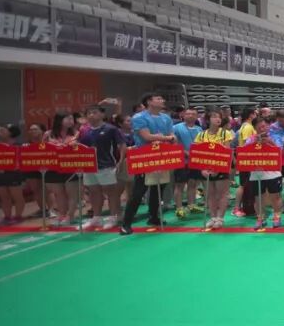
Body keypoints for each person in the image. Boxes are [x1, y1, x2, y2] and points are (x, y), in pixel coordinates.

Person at [120, 93, 176, 235]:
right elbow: (146, 137)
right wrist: (166, 138)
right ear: (149, 102)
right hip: (144, 157)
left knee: (159, 187)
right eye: (158, 99)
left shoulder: (166, 118)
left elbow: (172, 136)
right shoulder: (139, 117)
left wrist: (168, 138)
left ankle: (153, 217)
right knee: (139, 191)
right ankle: (126, 223)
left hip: (162, 155)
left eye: (162, 98)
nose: (162, 100)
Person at [78, 105, 125, 231]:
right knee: (94, 192)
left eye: (94, 112)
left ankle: (113, 217)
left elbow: (122, 145)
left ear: (102, 115)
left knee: (111, 192)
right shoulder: (85, 131)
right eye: (89, 113)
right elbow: (80, 147)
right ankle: (96, 217)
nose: (91, 115)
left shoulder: (111, 129)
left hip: (107, 165)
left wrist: (120, 161)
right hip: (89, 166)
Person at [195, 109, 235, 229]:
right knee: (210, 194)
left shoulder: (225, 133)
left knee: (222, 194)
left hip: (221, 168)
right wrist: (202, 170)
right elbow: (198, 153)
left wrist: (218, 168)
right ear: (208, 120)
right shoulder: (201, 135)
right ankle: (212, 217)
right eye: (214, 116)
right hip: (206, 169)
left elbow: (227, 153)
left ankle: (220, 218)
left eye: (219, 117)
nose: (217, 119)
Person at [245, 117, 283, 229]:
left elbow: (280, 151)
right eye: (259, 127)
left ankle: (277, 217)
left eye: (264, 126)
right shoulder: (250, 139)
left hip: (273, 172)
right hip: (256, 173)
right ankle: (260, 218)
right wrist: (254, 143)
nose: (262, 129)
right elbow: (244, 153)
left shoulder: (275, 137)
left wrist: (270, 142)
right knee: (258, 198)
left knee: (275, 196)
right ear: (255, 128)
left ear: (268, 126)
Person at [43, 112, 80, 225]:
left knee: (72, 193)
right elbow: (42, 149)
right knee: (59, 194)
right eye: (67, 118)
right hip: (54, 167)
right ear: (59, 120)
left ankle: (70, 216)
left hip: (71, 166)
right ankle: (62, 216)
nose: (70, 121)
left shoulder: (77, 133)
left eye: (71, 119)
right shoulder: (48, 134)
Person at [172, 107, 203, 219]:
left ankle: (192, 205)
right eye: (188, 114)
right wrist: (185, 153)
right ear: (183, 115)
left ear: (196, 116)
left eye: (193, 114)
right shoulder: (176, 128)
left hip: (195, 161)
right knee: (180, 185)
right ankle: (179, 208)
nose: (190, 116)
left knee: (193, 184)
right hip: (182, 161)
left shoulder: (199, 129)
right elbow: (174, 144)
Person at [0, 123, 25, 225]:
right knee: (3, 197)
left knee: (17, 196)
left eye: (3, 130)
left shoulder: (18, 146)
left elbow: (21, 161)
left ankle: (18, 216)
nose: (0, 132)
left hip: (13, 174)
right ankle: (7, 217)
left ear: (11, 132)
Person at [234, 107, 258, 218]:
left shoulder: (245, 126)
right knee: (243, 185)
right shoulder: (248, 127)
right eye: (255, 114)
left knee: (246, 184)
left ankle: (247, 206)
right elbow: (247, 144)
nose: (256, 116)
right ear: (251, 115)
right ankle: (236, 208)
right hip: (246, 159)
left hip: (246, 158)